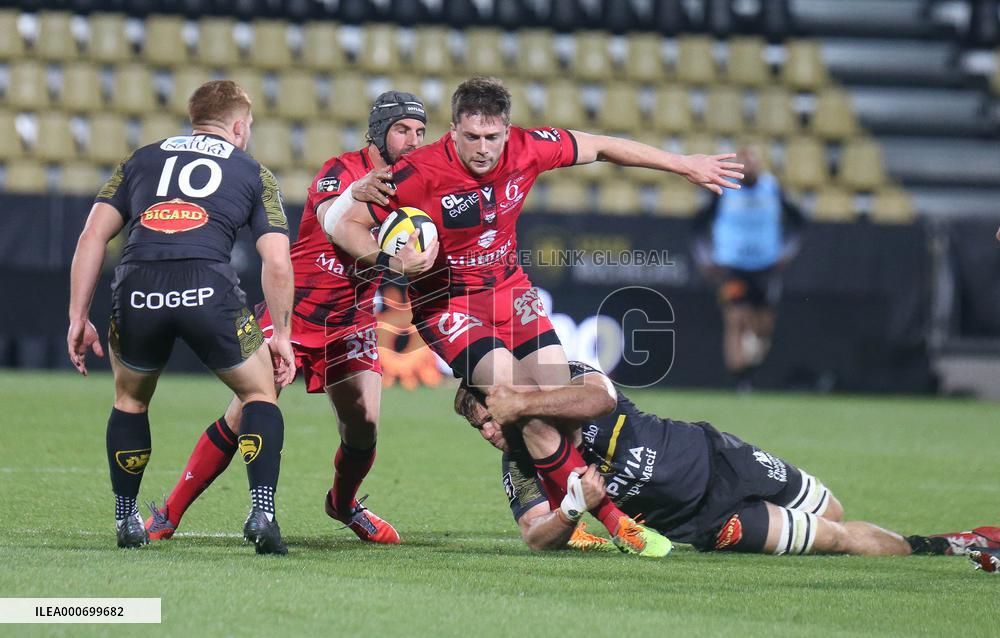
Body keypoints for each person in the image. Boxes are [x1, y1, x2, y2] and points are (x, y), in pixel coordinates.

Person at [323, 76, 743, 556]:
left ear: (507, 130)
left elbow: (602, 146)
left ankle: (552, 500)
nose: (483, 149)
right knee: (519, 399)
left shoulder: (529, 147)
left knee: (552, 404)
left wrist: (682, 164)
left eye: (493, 137)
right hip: (448, 305)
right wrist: (389, 262)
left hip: (509, 292)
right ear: (453, 131)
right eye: (472, 138)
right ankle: (615, 521)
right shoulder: (416, 173)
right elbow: (343, 223)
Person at [144, 91, 428, 545]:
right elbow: (336, 224)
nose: (413, 140)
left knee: (364, 424)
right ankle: (169, 514)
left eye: (420, 132)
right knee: (247, 410)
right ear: (378, 132)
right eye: (402, 130)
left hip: (351, 319)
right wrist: (392, 263)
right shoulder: (341, 172)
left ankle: (343, 504)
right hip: (295, 311)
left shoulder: (417, 185)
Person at [67, 80, 295, 554]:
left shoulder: (140, 159)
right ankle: (262, 512)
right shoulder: (254, 171)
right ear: (238, 125)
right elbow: (276, 260)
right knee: (259, 392)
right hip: (208, 285)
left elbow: (92, 236)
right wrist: (284, 336)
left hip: (136, 285)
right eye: (248, 127)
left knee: (130, 400)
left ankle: (127, 520)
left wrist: (78, 316)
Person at [454, 361, 1000, 557]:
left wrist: (525, 402)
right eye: (478, 428)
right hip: (709, 519)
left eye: (486, 417)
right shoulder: (520, 466)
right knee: (835, 539)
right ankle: (947, 545)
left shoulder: (558, 384)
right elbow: (534, 535)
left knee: (832, 509)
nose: (489, 433)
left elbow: (605, 397)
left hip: (717, 452)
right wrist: (573, 510)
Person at [693, 144, 805, 390]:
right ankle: (738, 378)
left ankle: (751, 369)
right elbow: (699, 225)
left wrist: (787, 253)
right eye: (745, 161)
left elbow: (798, 223)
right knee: (735, 319)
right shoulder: (722, 189)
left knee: (763, 327)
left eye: (753, 160)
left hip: (765, 268)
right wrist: (706, 259)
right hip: (731, 267)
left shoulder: (773, 188)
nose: (749, 166)